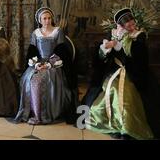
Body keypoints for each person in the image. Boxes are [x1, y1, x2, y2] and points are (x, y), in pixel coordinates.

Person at [82, 8, 154, 140]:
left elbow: (140, 58)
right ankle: (112, 125)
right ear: (120, 25)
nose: (133, 27)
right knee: (110, 89)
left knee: (126, 93)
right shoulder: (113, 34)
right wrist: (106, 49)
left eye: (133, 23)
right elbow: (103, 59)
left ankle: (126, 128)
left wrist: (122, 47)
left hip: (133, 73)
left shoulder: (139, 36)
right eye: (129, 25)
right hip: (114, 71)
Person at [14, 7, 76, 125]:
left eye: (49, 18)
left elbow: (61, 51)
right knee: (29, 79)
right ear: (40, 20)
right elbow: (32, 51)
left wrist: (49, 64)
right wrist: (36, 64)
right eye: (44, 18)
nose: (47, 21)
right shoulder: (36, 33)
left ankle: (43, 114)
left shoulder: (58, 31)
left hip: (54, 63)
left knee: (42, 81)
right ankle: (32, 111)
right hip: (39, 62)